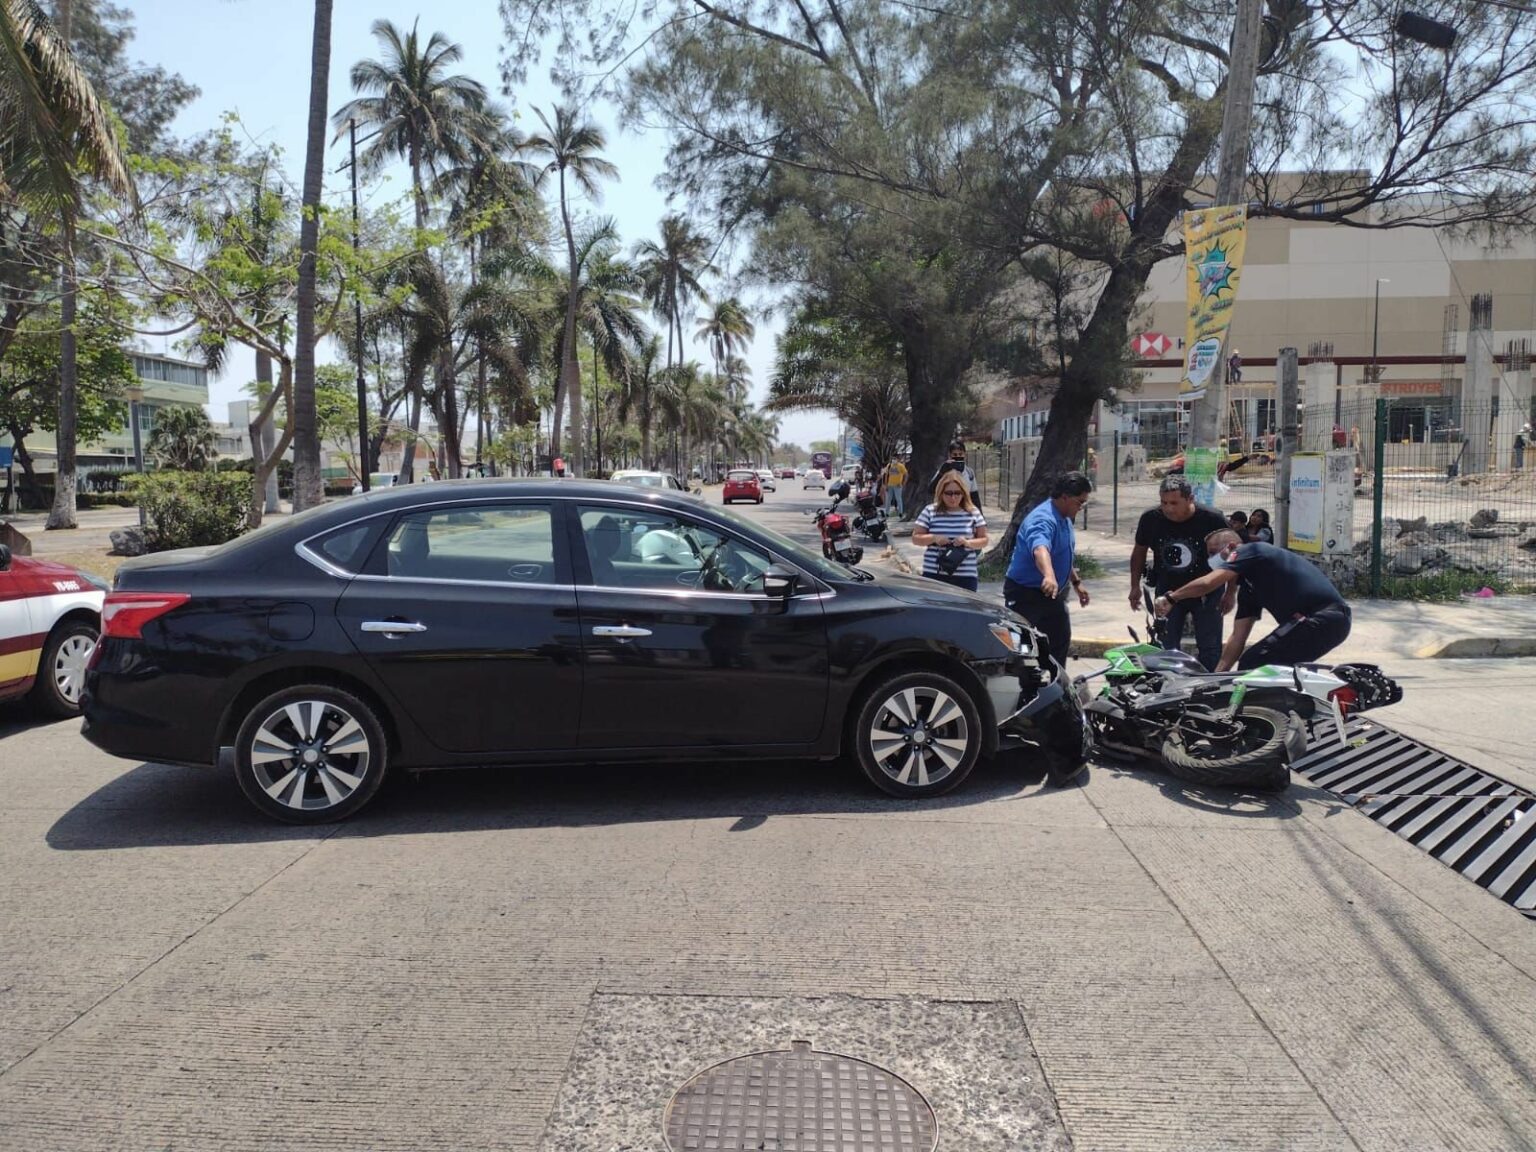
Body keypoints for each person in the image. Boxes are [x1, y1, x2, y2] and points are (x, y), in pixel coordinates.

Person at [1158, 529, 1352, 672]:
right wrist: (1216, 678)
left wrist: (1172, 597)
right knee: (1280, 666)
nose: (1212, 559)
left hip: (1323, 616)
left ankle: (1262, 715)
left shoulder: (1252, 550)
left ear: (1232, 547)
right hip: (1320, 623)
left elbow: (1208, 583)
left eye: (1213, 552)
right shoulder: (1249, 588)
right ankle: (1297, 713)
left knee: (1254, 661)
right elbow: (1237, 638)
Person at [1130, 476, 1231, 671]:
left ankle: (1209, 689)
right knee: (1166, 646)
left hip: (1207, 594)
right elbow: (1139, 553)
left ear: (1190, 499)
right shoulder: (1151, 519)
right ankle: (1169, 692)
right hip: (1167, 593)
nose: (1168, 508)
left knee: (1210, 647)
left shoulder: (1212, 519)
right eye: (1164, 502)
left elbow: (1233, 559)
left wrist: (1230, 592)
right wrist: (1134, 586)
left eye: (1174, 503)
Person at [1005, 471, 1093, 670]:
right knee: (1021, 649)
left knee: (1059, 640)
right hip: (1026, 594)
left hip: (1051, 594)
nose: (1081, 507)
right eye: (1079, 502)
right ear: (1064, 497)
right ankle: (1019, 689)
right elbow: (1040, 549)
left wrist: (1076, 582)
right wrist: (1049, 575)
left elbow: (1060, 555)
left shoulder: (1064, 517)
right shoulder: (1043, 519)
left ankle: (1056, 689)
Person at [912, 474, 988, 592]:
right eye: (948, 493)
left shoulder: (973, 512)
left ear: (963, 493)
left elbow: (984, 540)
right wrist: (934, 538)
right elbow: (916, 538)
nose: (953, 498)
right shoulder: (930, 511)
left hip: (965, 576)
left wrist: (967, 543)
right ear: (941, 493)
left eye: (957, 493)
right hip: (934, 574)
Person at [926, 439, 980, 506]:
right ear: (950, 455)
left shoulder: (969, 473)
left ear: (964, 454)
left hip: (964, 511)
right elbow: (931, 490)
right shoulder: (944, 470)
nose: (958, 457)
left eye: (960, 454)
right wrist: (942, 472)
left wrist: (979, 514)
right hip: (945, 510)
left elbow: (975, 496)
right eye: (955, 454)